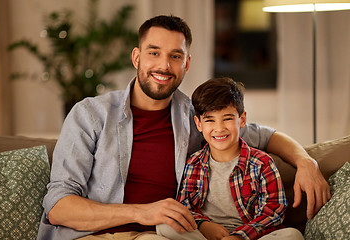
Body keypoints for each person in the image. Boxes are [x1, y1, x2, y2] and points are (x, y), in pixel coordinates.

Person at [37, 15, 329, 240]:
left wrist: (306, 162)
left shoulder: (197, 117)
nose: (164, 66)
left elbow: (264, 135)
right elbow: (59, 206)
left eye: (175, 56)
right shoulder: (90, 114)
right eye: (154, 53)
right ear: (137, 57)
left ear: (186, 64)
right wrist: (144, 211)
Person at [156, 77, 304, 240]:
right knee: (164, 225)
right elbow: (186, 207)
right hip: (206, 235)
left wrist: (239, 236)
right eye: (210, 120)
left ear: (242, 120)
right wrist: (204, 226)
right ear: (198, 124)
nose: (219, 128)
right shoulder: (194, 163)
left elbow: (273, 212)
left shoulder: (262, 163)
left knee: (292, 235)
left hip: (249, 236)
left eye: (227, 119)